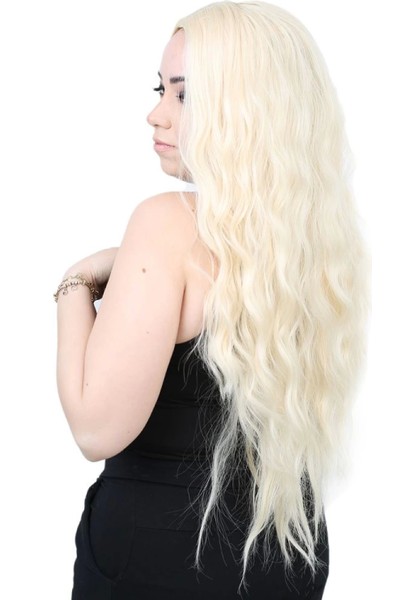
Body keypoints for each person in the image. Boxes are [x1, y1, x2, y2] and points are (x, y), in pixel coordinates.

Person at [54, 2, 370, 598]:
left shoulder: (166, 223)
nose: (156, 113)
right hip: (286, 553)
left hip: (159, 559)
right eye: (161, 90)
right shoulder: (317, 246)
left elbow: (95, 430)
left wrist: (75, 285)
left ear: (246, 107)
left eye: (185, 95)